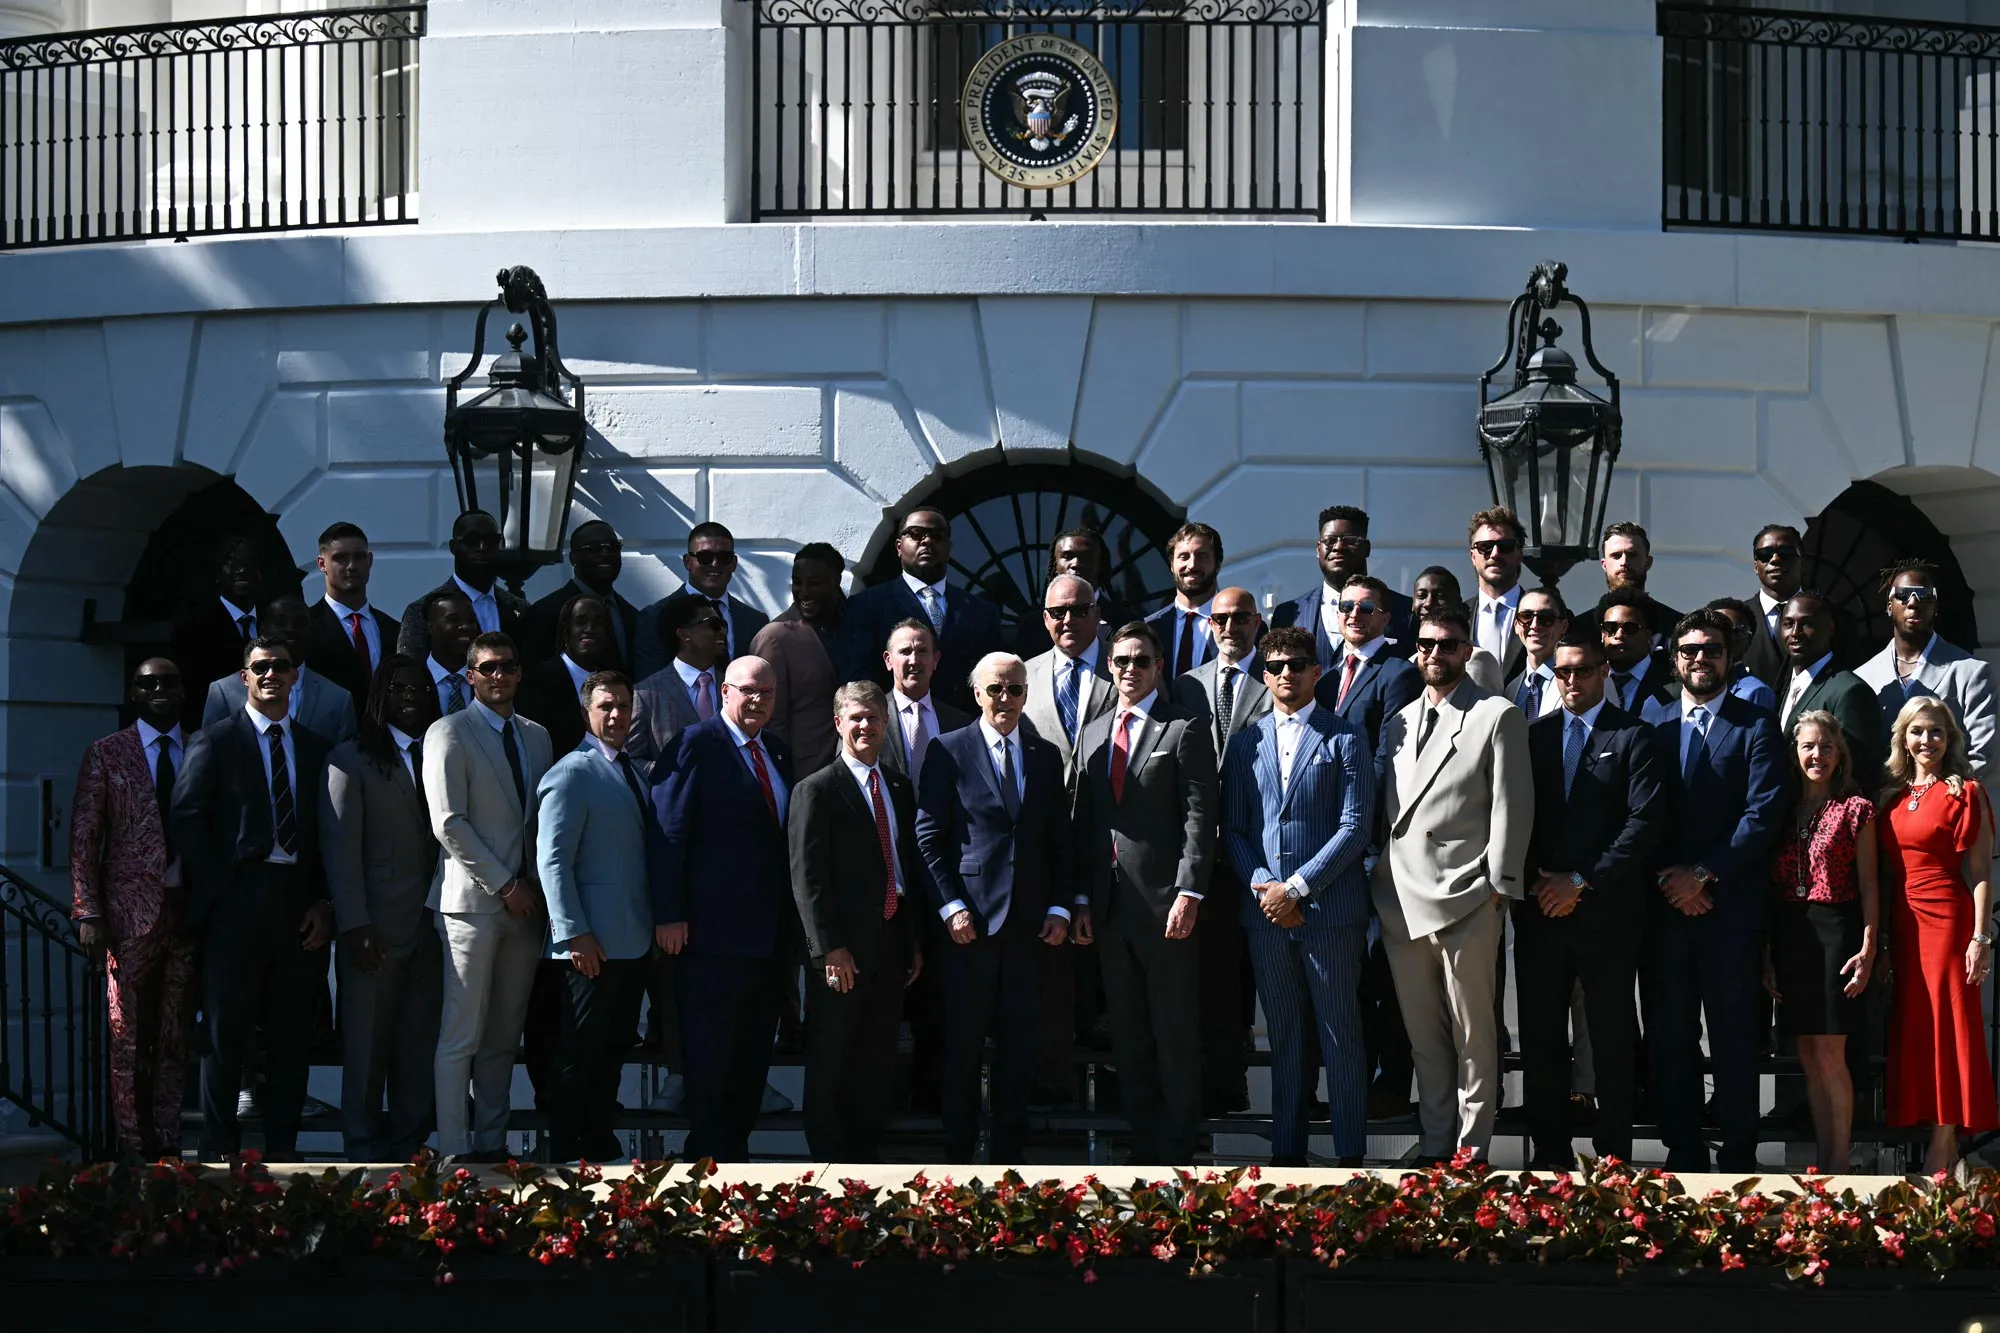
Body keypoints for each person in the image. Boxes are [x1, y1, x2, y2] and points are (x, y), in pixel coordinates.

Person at [1373, 607, 1530, 1162]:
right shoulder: (1398, 720)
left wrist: (1499, 887)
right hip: (1398, 899)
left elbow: (1513, 805)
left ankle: (1470, 1148)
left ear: (1467, 650)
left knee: (1473, 1034)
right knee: (1424, 1037)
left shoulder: (1497, 715)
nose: (1435, 654)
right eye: (1426, 644)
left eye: (1448, 644)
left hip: (1467, 895)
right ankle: (1436, 1139)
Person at [171, 637, 335, 1160]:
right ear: (244, 677)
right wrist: (220, 892)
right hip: (236, 901)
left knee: (291, 1035)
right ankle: (217, 1149)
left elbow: (328, 832)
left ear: (294, 676)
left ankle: (284, 1151)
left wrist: (322, 903)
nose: (270, 675)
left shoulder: (314, 747)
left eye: (280, 667)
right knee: (226, 1034)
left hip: (297, 904)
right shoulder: (215, 741)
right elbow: (187, 816)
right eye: (260, 668)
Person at [914, 652, 1075, 1162]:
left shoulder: (1044, 754)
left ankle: (1010, 1152)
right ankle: (957, 1153)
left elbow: (1058, 838)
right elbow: (927, 836)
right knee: (961, 1043)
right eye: (995, 690)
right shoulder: (947, 749)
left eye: (1016, 689)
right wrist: (950, 906)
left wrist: (1060, 908)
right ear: (976, 693)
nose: (1006, 699)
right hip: (969, 924)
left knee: (1020, 1043)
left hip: (1030, 924)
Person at [1222, 626, 1372, 1166]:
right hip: (1266, 916)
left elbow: (1355, 827)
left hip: (1330, 913)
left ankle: (1352, 1167)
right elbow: (1235, 829)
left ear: (1317, 672)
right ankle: (1288, 1167)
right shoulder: (1247, 742)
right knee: (1285, 1039)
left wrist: (1297, 888)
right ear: (1265, 676)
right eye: (1278, 665)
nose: (1288, 672)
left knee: (1340, 1038)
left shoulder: (1346, 736)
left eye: (1299, 663)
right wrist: (1266, 887)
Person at [1518, 633, 1666, 1168]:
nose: (1571, 682)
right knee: (1540, 1037)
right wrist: (1538, 880)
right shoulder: (1531, 736)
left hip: (1606, 914)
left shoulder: (1634, 737)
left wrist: (1579, 881)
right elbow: (1515, 817)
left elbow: (1642, 824)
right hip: (1540, 912)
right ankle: (1549, 1154)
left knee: (1610, 1038)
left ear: (1604, 671)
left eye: (1582, 670)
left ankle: (1614, 1157)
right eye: (1562, 673)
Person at [1645, 609, 1785, 1173]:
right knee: (1670, 1037)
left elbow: (1762, 815)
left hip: (1731, 911)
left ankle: (1738, 1156)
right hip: (1665, 912)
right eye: (1689, 650)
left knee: (1733, 1039)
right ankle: (1682, 1155)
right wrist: (1670, 879)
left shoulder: (1756, 726)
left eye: (1711, 650)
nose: (1699, 659)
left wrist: (1700, 874)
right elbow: (1639, 813)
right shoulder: (1653, 725)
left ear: (1730, 658)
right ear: (1675, 659)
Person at [1072, 623, 1216, 1164]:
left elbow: (1200, 818)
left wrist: (1190, 891)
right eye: (1120, 661)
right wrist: (1082, 900)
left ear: (1159, 667)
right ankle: (1144, 1144)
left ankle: (1180, 1147)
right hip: (1109, 909)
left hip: (1167, 906)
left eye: (1141, 660)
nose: (1129, 669)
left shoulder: (1184, 728)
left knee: (1173, 1030)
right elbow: (1087, 824)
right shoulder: (1094, 732)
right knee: (1128, 1034)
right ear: (1109, 667)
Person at [650, 656, 795, 1161]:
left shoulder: (776, 751)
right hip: (709, 938)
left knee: (752, 1059)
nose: (758, 700)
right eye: (748, 690)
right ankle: (709, 1166)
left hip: (766, 940)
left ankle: (739, 1160)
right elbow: (669, 832)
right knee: (711, 1059)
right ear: (725, 692)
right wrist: (669, 913)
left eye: (767, 692)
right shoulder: (696, 745)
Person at [425, 630, 554, 1162]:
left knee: (504, 1034)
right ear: (470, 676)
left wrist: (531, 889)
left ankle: (492, 1144)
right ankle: (453, 1150)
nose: (497, 675)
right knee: (462, 1034)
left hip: (527, 908)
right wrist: (504, 884)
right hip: (471, 904)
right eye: (486, 668)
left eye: (506, 665)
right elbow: (448, 822)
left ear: (520, 672)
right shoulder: (447, 732)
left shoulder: (539, 736)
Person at [787, 681, 926, 1160]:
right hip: (841, 950)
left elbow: (904, 868)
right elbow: (808, 879)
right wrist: (829, 947)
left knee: (877, 1055)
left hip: (890, 943)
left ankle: (866, 1158)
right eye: (856, 718)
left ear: (886, 723)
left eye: (873, 717)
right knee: (833, 1056)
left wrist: (912, 943)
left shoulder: (899, 787)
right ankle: (828, 1159)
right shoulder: (816, 789)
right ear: (838, 723)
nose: (866, 725)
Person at [70, 657, 197, 1157]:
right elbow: (85, 838)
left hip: (187, 911)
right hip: (127, 916)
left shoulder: (202, 746)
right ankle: (130, 1145)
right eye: (148, 683)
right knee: (126, 1035)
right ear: (134, 692)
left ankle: (167, 1139)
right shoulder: (108, 753)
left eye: (169, 681)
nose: (160, 690)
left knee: (174, 1034)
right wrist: (88, 911)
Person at [321, 654, 444, 1161]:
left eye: (418, 688)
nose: (410, 696)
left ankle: (410, 1143)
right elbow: (340, 849)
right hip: (374, 928)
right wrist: (354, 923)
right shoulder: (351, 759)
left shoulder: (442, 752)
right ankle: (363, 1144)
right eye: (398, 689)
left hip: (433, 926)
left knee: (418, 1044)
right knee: (367, 1045)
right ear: (379, 698)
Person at [536, 670, 655, 1164]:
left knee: (609, 1053)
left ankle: (599, 1139)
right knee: (578, 1052)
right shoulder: (570, 772)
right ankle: (567, 1147)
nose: (615, 715)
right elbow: (552, 859)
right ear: (586, 712)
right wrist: (574, 933)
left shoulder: (632, 769)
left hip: (631, 939)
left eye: (623, 706)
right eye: (605, 706)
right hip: (588, 944)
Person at [1879, 696, 1999, 1173]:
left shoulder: (1965, 792)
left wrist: (1980, 937)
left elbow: (1982, 871)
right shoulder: (1891, 794)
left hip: (1948, 922)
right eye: (1917, 731)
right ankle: (1925, 1130)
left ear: (1949, 740)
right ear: (1903, 738)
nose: (1926, 740)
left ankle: (1944, 1143)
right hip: (1903, 925)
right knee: (1916, 1025)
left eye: (1936, 732)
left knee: (1949, 1025)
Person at [1764, 710, 1880, 1171]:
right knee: (1808, 1050)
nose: (1817, 754)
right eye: (1809, 746)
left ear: (1840, 755)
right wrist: (1768, 952)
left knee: (1832, 1049)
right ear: (1795, 753)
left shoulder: (1857, 809)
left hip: (1838, 929)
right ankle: (1822, 1157)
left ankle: (1840, 1159)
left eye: (1826, 747)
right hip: (1792, 931)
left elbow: (1871, 883)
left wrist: (1870, 946)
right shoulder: (1784, 809)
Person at [1171, 587, 1270, 1116]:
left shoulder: (1275, 679)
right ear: (1209, 625)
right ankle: (1211, 1084)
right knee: (1206, 974)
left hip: (1256, 851)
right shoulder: (1186, 685)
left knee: (1250, 975)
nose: (1230, 627)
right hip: (1199, 856)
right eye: (1221, 619)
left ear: (1258, 622)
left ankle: (1236, 1084)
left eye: (1241, 618)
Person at [879, 617, 971, 1114]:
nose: (914, 660)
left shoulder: (960, 722)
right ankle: (888, 1118)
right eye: (904, 652)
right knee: (887, 1009)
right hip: (885, 886)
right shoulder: (866, 720)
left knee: (943, 1006)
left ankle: (937, 1111)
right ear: (888, 661)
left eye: (923, 651)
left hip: (947, 887)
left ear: (938, 660)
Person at [841, 508, 1004, 717]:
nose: (927, 541)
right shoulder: (866, 606)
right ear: (899, 547)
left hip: (964, 733)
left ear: (949, 547)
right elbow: (860, 683)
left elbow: (993, 681)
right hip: (894, 732)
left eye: (937, 535)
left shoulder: (981, 611)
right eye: (916, 534)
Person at [1854, 560, 1996, 779]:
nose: (1913, 602)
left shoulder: (1972, 673)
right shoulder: (1864, 677)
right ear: (1889, 606)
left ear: (1935, 606)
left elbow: (1982, 756)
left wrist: (1936, 799)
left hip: (1947, 804)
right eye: (1902, 594)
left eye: (1924, 595)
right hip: (1884, 807)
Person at [747, 543, 848, 778]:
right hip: (801, 776)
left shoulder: (854, 626)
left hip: (852, 773)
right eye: (797, 582)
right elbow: (769, 722)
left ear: (836, 582)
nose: (803, 592)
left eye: (814, 583)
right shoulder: (774, 637)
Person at [1272, 506, 1417, 667]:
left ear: (1367, 548)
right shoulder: (1287, 615)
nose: (1339, 547)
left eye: (1350, 540)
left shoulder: (1406, 611)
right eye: (1329, 541)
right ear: (1318, 549)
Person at [204, 594, 358, 743]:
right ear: (263, 629)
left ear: (312, 631)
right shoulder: (223, 692)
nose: (290, 629)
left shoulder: (338, 700)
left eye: (299, 623)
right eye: (280, 622)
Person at [635, 522, 772, 680]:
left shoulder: (755, 621)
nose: (714, 564)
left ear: (734, 563)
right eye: (705, 557)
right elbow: (650, 687)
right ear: (688, 562)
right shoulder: (654, 617)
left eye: (723, 557)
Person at [1778, 592, 1884, 782]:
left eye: (1807, 624)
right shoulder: (1787, 685)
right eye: (1788, 624)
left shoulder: (1850, 691)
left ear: (1830, 628)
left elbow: (1857, 770)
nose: (1795, 633)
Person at [397, 510, 529, 662]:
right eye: (471, 540)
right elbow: (409, 673)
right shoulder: (423, 610)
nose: (482, 547)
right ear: (453, 547)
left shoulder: (519, 608)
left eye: (491, 540)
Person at [1021, 573, 1115, 780]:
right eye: (1058, 612)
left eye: (1080, 611)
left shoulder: (1125, 667)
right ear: (1046, 619)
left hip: (1110, 804)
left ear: (1096, 614)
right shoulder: (1023, 675)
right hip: (1046, 806)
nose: (1068, 620)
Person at [170, 534, 266, 729]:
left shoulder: (273, 623)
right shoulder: (194, 627)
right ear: (217, 573)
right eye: (232, 562)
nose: (241, 570)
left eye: (249, 562)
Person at [1315, 574, 1421, 750]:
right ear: (1338, 614)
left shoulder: (1401, 674)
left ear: (1385, 619)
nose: (1354, 614)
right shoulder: (1328, 678)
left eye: (1366, 607)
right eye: (1346, 606)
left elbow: (1390, 753)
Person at [520, 521, 642, 670]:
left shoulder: (632, 615)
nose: (605, 554)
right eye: (593, 549)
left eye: (613, 547)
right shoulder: (546, 612)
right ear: (573, 559)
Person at [305, 522, 400, 706]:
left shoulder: (393, 629)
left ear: (370, 560)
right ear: (322, 564)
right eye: (340, 558)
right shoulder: (307, 627)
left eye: (359, 557)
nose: (351, 566)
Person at [519, 593, 622, 761]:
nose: (590, 628)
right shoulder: (536, 680)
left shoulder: (616, 680)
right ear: (566, 630)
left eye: (598, 623)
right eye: (580, 622)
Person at [630, 596, 727, 770]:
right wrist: (669, 777)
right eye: (713, 624)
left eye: (723, 625)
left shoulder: (735, 685)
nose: (721, 631)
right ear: (684, 634)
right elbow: (632, 759)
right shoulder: (646, 694)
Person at [1015, 526, 1131, 657]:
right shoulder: (1031, 627)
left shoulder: (1127, 623)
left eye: (1086, 557)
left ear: (1101, 564)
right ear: (1055, 565)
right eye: (1067, 556)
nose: (1076, 564)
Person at [1572, 522, 1682, 649]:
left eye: (1632, 555)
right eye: (1616, 556)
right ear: (1604, 564)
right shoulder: (1580, 629)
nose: (1624, 562)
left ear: (1648, 562)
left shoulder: (1676, 626)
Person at [1144, 522, 1223, 678]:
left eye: (1202, 556)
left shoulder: (1242, 626)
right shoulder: (1150, 628)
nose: (1192, 565)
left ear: (1217, 564)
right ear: (1172, 565)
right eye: (1184, 557)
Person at [1464, 508, 1528, 687]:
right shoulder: (1459, 615)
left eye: (1505, 546)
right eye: (1485, 547)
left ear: (1519, 554)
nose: (1495, 554)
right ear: (1472, 556)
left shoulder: (1544, 616)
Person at [1416, 566, 1503, 695]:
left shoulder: (1476, 659)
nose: (1428, 603)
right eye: (1421, 595)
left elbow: (1484, 711)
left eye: (1440, 596)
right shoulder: (1412, 660)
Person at [1745, 524, 1807, 691]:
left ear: (1802, 561)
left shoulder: (1833, 616)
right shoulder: (1735, 619)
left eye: (1785, 554)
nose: (1775, 559)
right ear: (1755, 566)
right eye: (1765, 555)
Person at [1598, 588, 1674, 718]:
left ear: (1649, 636)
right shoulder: (1589, 678)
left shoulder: (1672, 683)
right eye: (1610, 628)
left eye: (1630, 628)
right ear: (1602, 634)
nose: (1619, 635)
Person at [1706, 596, 1781, 713]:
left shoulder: (1754, 692)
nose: (1725, 637)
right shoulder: (1691, 685)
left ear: (1748, 640)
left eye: (1735, 631)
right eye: (1717, 628)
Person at [1509, 587, 1569, 720]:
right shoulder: (1511, 690)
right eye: (1526, 616)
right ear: (1516, 626)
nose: (1535, 625)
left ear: (1563, 626)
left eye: (1546, 617)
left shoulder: (1585, 679)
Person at [422, 589, 480, 720]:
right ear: (430, 626)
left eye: (471, 620)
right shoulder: (414, 680)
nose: (465, 626)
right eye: (454, 620)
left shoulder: (486, 679)